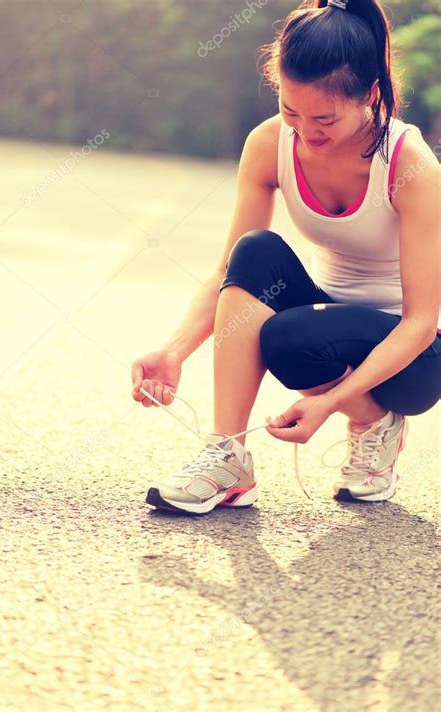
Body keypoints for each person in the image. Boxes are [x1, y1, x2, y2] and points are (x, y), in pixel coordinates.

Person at [131, 0, 440, 514]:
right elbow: (232, 273)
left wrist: (330, 404)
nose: (306, 132)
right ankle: (227, 457)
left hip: (417, 356)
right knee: (253, 252)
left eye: (324, 118)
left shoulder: (409, 165)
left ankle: (377, 421)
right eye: (290, 110)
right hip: (326, 328)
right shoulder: (269, 145)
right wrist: (175, 350)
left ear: (368, 95)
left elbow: (419, 322)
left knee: (291, 336)